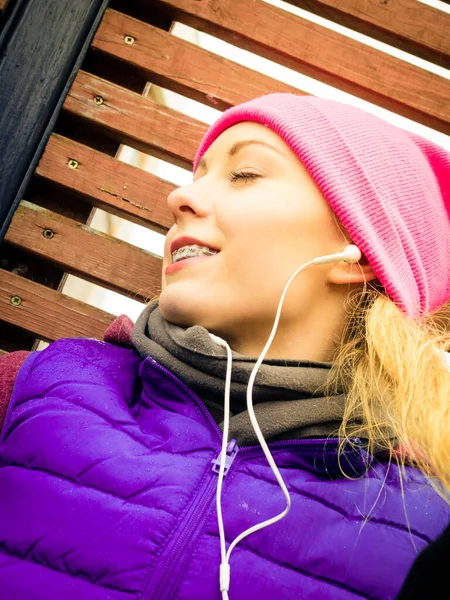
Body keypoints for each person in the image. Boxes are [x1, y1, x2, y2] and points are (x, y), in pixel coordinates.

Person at [0, 93, 449, 600]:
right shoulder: (36, 385)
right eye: (199, 175)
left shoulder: (424, 523)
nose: (179, 198)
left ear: (356, 251)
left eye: (245, 174)